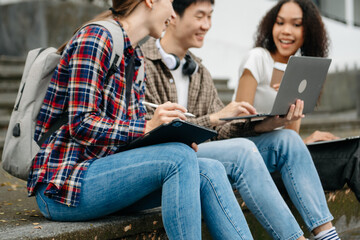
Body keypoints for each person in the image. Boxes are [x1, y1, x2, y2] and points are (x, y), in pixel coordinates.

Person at [26, 1, 256, 239]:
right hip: (64, 185)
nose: (172, 13)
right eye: (170, 2)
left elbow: (128, 140)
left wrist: (166, 137)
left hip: (106, 174)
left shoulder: (134, 56)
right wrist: (148, 126)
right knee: (179, 157)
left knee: (210, 169)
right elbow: (81, 124)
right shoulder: (95, 38)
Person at [142, 0, 341, 239]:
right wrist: (213, 118)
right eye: (200, 16)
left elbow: (222, 130)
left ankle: (327, 233)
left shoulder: (200, 72)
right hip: (174, 161)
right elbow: (151, 134)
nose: (207, 25)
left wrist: (264, 125)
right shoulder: (142, 64)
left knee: (286, 139)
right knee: (243, 151)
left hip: (207, 155)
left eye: (210, 16)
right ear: (173, 16)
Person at [235, 0, 339, 144]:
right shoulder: (257, 58)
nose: (286, 31)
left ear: (309, 30)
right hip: (248, 148)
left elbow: (291, 137)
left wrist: (307, 142)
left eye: (296, 24)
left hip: (279, 150)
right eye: (280, 22)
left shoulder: (301, 68)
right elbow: (237, 126)